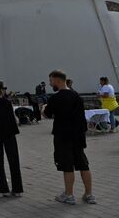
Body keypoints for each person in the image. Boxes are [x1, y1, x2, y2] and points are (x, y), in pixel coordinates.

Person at [43, 70, 96, 205]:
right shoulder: (76, 95)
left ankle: (69, 195)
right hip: (78, 136)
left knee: (67, 166)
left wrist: (43, 108)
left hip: (63, 136)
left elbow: (47, 114)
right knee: (83, 164)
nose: (50, 84)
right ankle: (89, 194)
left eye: (51, 81)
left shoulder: (55, 98)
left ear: (57, 80)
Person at [0, 80, 23, 197]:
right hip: (9, 133)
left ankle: (1, 189)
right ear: (0, 90)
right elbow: (14, 119)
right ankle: (17, 189)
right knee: (14, 161)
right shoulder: (6, 102)